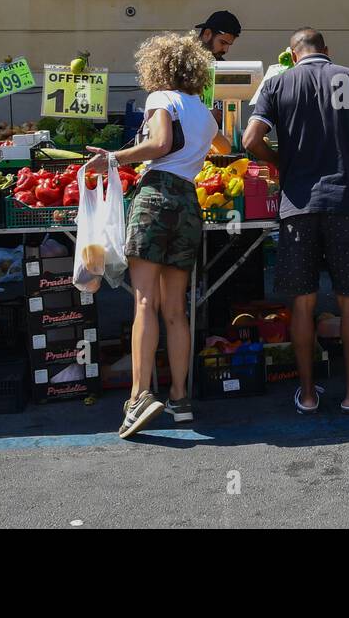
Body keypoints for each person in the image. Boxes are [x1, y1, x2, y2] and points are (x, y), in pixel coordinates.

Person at [85, 32, 230, 438]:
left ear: (158, 68)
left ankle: (138, 398)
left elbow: (160, 143)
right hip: (187, 202)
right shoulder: (205, 112)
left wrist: (112, 158)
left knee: (144, 302)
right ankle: (181, 399)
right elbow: (224, 146)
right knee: (175, 308)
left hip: (155, 197)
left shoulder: (160, 99)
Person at [242, 28, 349, 414]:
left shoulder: (278, 84)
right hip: (345, 202)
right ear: (327, 51)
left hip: (297, 207)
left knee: (303, 304)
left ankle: (308, 395)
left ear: (293, 56)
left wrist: (280, 162)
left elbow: (250, 141)